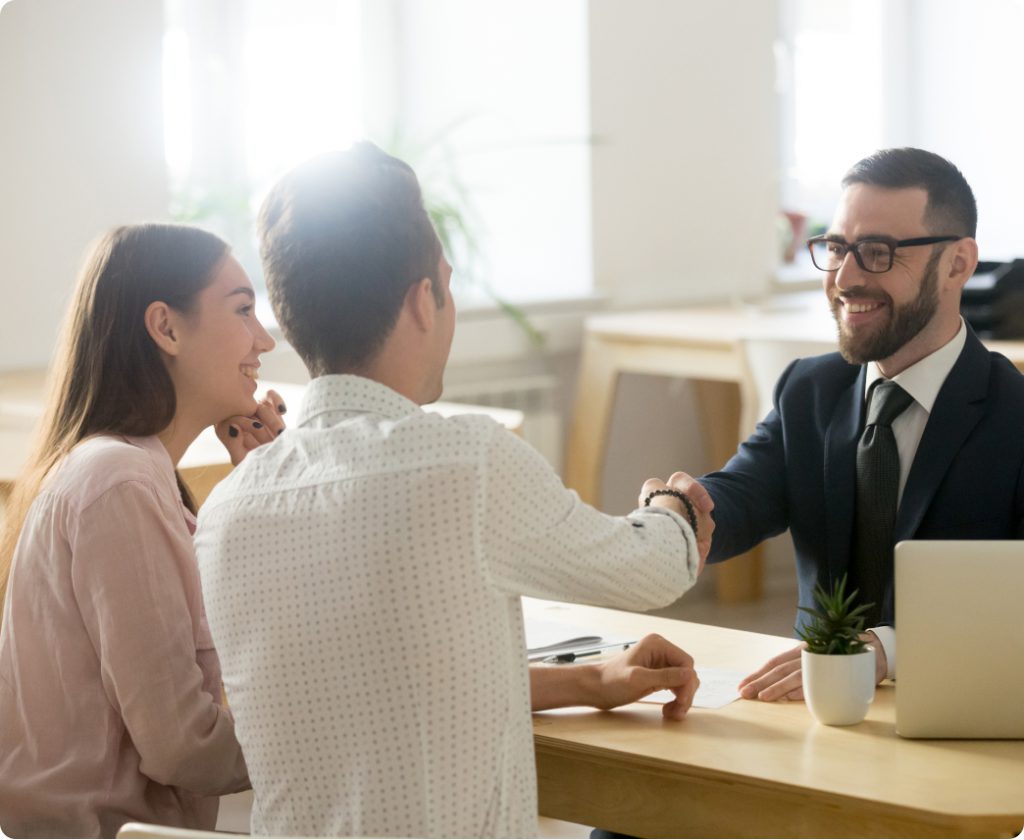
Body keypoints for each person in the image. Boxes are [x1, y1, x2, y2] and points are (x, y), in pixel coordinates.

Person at [193, 142, 713, 838]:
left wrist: (590, 679)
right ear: (422, 301)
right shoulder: (465, 461)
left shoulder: (225, 512)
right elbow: (654, 568)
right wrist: (671, 507)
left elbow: (377, 693)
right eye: (447, 281)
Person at [670, 147, 1024, 702]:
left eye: (878, 252)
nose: (846, 277)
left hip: (965, 714)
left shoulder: (1015, 416)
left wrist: (887, 651)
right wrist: (680, 511)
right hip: (813, 711)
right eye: (837, 248)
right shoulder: (810, 390)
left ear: (958, 263)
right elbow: (739, 496)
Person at [0, 224, 286, 838]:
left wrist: (261, 496)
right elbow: (182, 746)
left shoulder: (130, 474)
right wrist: (332, 737)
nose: (263, 340)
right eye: (242, 310)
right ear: (166, 327)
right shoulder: (120, 484)